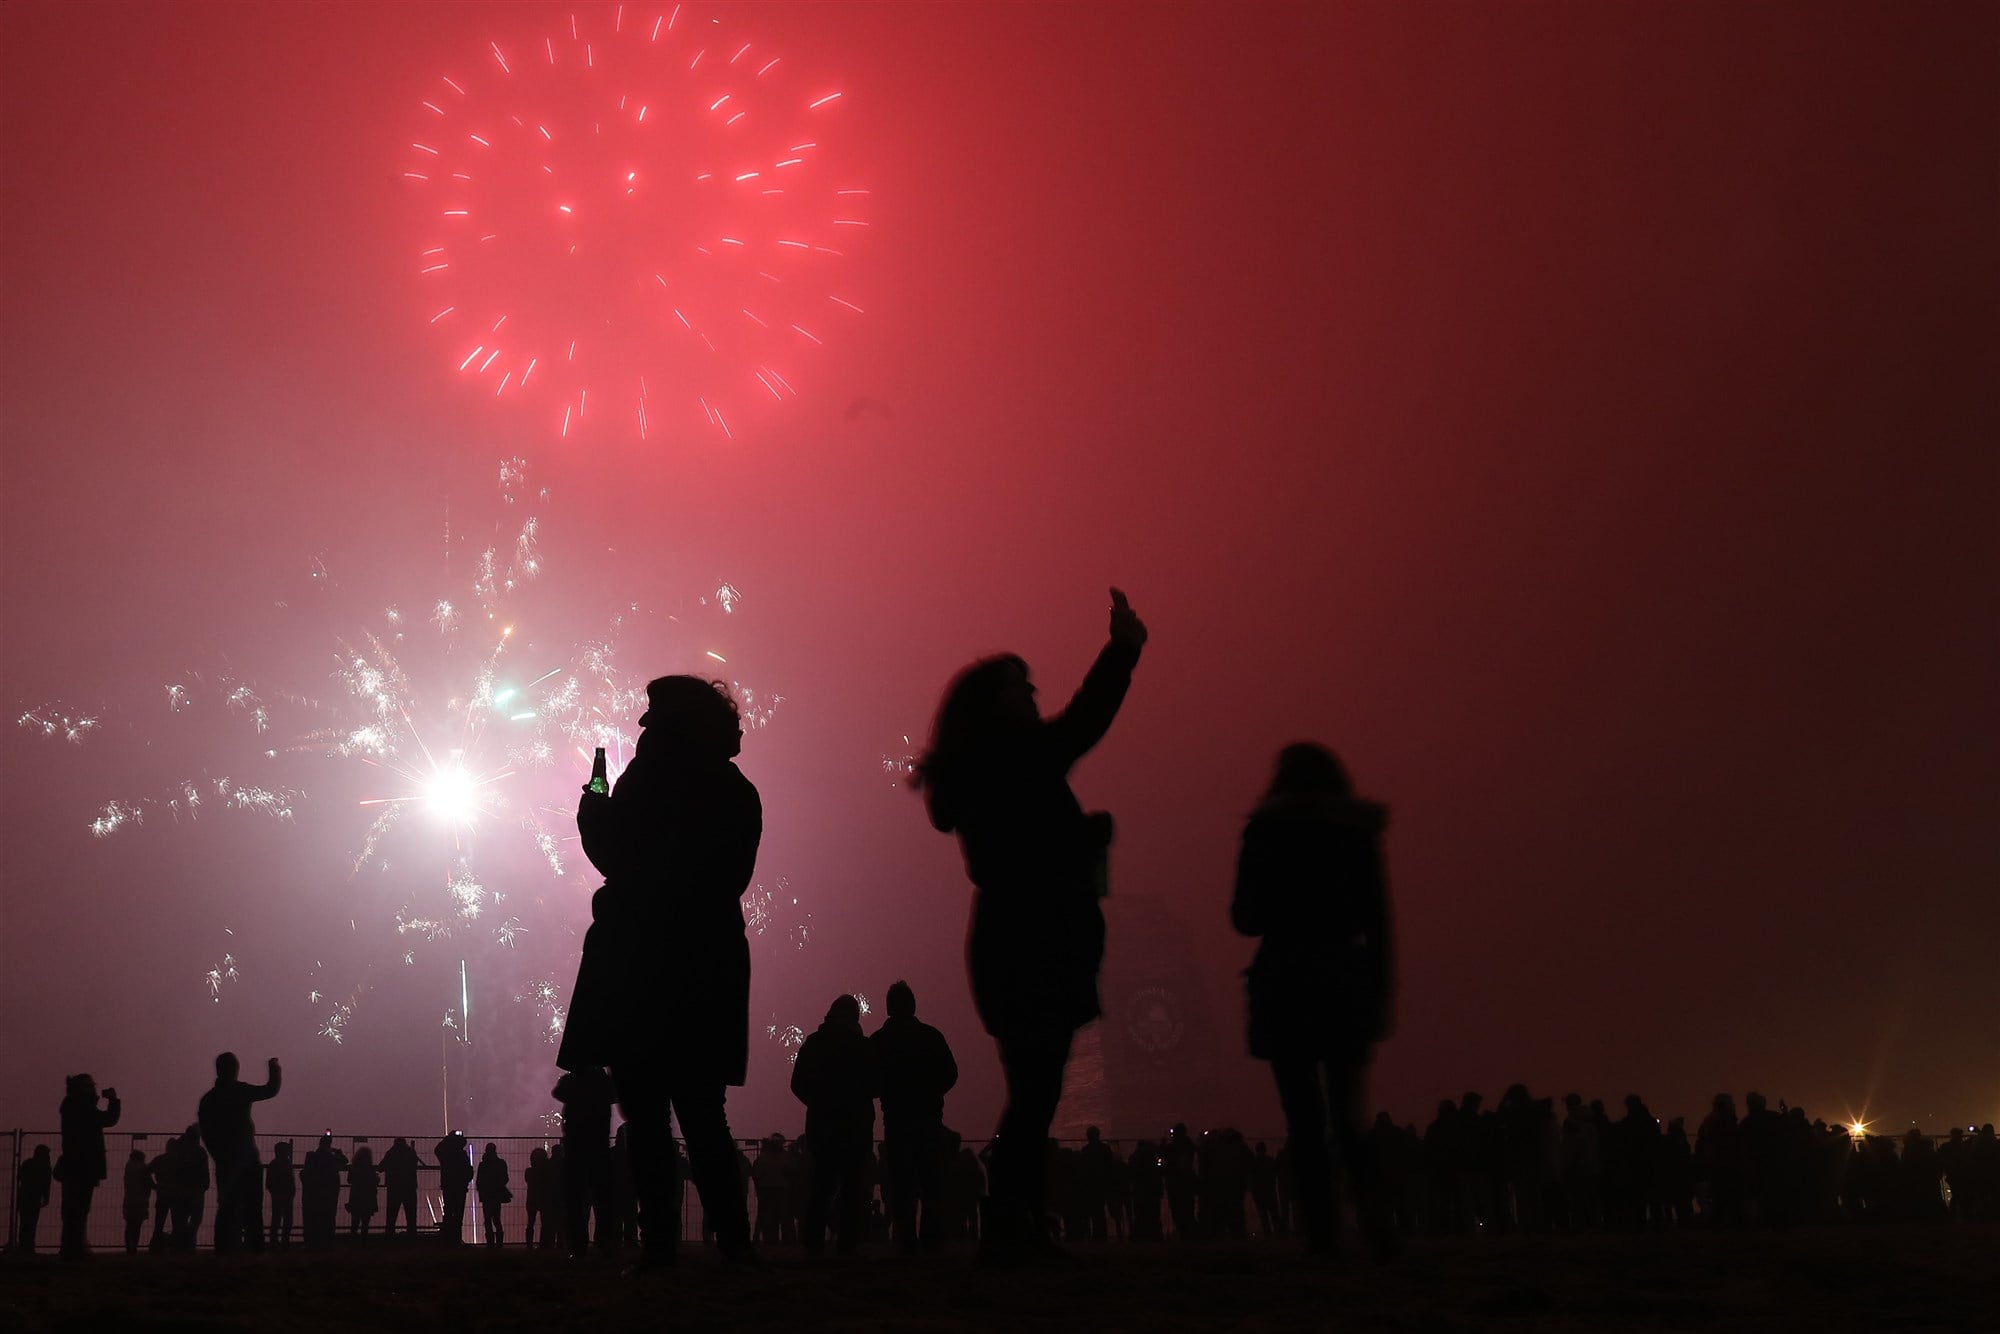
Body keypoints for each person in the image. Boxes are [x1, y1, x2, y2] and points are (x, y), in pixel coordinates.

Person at [916, 588, 1147, 1263]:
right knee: (1038, 1090)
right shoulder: (1016, 757)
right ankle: (1012, 1219)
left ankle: (1014, 1218)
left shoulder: (975, 773)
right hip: (1038, 936)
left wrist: (1078, 837)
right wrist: (1122, 652)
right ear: (998, 702)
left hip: (1006, 936)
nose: (1034, 693)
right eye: (1023, 685)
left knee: (1033, 1087)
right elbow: (1083, 723)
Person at [557, 676, 763, 1269]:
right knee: (704, 1114)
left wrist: (592, 806)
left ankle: (659, 1248)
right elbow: (731, 878)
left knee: (646, 1117)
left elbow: (613, 855)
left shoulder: (644, 783)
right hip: (708, 964)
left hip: (637, 963)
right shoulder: (735, 789)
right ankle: (735, 1243)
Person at [1231, 742, 1394, 1260]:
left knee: (1302, 1118)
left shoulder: (1266, 831)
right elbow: (1379, 923)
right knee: (1348, 1115)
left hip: (1285, 980)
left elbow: (1245, 917)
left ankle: (1321, 1232)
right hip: (1343, 979)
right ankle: (1375, 1222)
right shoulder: (1357, 833)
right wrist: (1379, 994)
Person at [870, 980, 959, 1255]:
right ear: (913, 1005)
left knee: (901, 1184)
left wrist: (887, 1092)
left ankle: (906, 1241)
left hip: (896, 1119)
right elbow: (951, 1073)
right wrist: (933, 1093)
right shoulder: (931, 1036)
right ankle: (932, 1240)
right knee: (930, 1181)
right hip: (928, 1117)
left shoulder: (879, 1041)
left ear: (889, 1007)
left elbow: (869, 1081)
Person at [791, 993, 879, 1257]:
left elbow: (797, 1083)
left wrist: (818, 1103)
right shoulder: (863, 1047)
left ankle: (814, 1243)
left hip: (822, 1126)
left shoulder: (814, 1043)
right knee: (853, 1187)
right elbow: (876, 1084)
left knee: (821, 1185)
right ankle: (847, 1244)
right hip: (855, 1127)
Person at [197, 1052, 282, 1254]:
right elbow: (270, 1090)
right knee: (253, 1210)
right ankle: (255, 1251)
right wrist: (274, 1069)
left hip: (226, 1161)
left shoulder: (209, 1099)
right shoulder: (240, 1091)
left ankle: (222, 1251)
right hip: (247, 1159)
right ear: (235, 1069)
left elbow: (206, 1133)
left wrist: (219, 1156)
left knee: (226, 1208)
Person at [55, 1074, 120, 1258]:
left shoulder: (72, 1105)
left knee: (72, 1210)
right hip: (83, 1166)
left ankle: (70, 1248)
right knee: (78, 1210)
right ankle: (74, 1249)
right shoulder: (81, 1107)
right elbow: (108, 1119)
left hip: (74, 1166)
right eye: (91, 1086)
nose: (93, 1089)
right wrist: (113, 1101)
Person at [553, 1066, 615, 1257]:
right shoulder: (604, 1082)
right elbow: (616, 1094)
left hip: (576, 1144)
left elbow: (558, 1092)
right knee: (602, 1196)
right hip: (599, 1145)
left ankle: (577, 1244)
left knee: (574, 1197)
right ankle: (604, 1242)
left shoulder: (573, 1080)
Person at [300, 1133, 348, 1248]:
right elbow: (344, 1161)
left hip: (314, 1194)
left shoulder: (312, 1157)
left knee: (314, 1219)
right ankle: (327, 1242)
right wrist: (338, 1152)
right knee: (329, 1218)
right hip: (329, 1194)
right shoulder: (331, 1158)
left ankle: (312, 1242)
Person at [435, 1131, 473, 1244]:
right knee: (458, 1215)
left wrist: (448, 1138)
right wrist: (464, 1181)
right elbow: (469, 1172)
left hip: (449, 1187)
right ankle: (456, 1239)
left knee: (448, 1213)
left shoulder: (446, 1156)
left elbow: (437, 1150)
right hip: (460, 1188)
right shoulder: (462, 1156)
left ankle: (448, 1239)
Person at [380, 1137, 420, 1237]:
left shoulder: (391, 1153)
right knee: (411, 1213)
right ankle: (412, 1233)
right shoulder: (411, 1153)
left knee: (392, 1212)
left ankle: (390, 1233)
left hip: (394, 1186)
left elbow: (381, 1167)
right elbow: (414, 1164)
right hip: (409, 1186)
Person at [17, 1144, 52, 1253]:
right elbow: (46, 1184)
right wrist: (46, 1197)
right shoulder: (45, 1167)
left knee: (24, 1222)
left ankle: (23, 1245)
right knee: (32, 1222)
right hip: (35, 1197)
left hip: (24, 1195)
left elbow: (19, 1177)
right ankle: (29, 1246)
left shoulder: (27, 1163)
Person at [476, 1143, 511, 1247]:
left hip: (486, 1195)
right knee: (496, 1219)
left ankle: (490, 1243)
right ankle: (499, 1243)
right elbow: (505, 1178)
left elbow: (479, 1181)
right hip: (496, 1195)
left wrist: (481, 1191)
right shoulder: (501, 1163)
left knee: (487, 1220)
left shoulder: (482, 1165)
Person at [266, 1142, 297, 1248]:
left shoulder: (273, 1165)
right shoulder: (286, 1164)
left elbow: (269, 1183)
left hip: (279, 1196)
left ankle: (274, 1243)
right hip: (285, 1196)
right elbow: (290, 1180)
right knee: (285, 1221)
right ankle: (284, 1243)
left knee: (277, 1220)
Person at [524, 1146, 554, 1249]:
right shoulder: (547, 1172)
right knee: (545, 1223)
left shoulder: (529, 1171)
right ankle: (543, 1244)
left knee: (530, 1222)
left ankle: (529, 1245)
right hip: (543, 1198)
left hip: (531, 1198)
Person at [346, 1145, 380, 1236]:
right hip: (368, 1197)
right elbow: (375, 1180)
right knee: (365, 1223)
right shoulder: (370, 1168)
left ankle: (353, 1239)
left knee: (355, 1221)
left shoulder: (353, 1168)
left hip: (356, 1196)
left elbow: (349, 1180)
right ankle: (364, 1240)